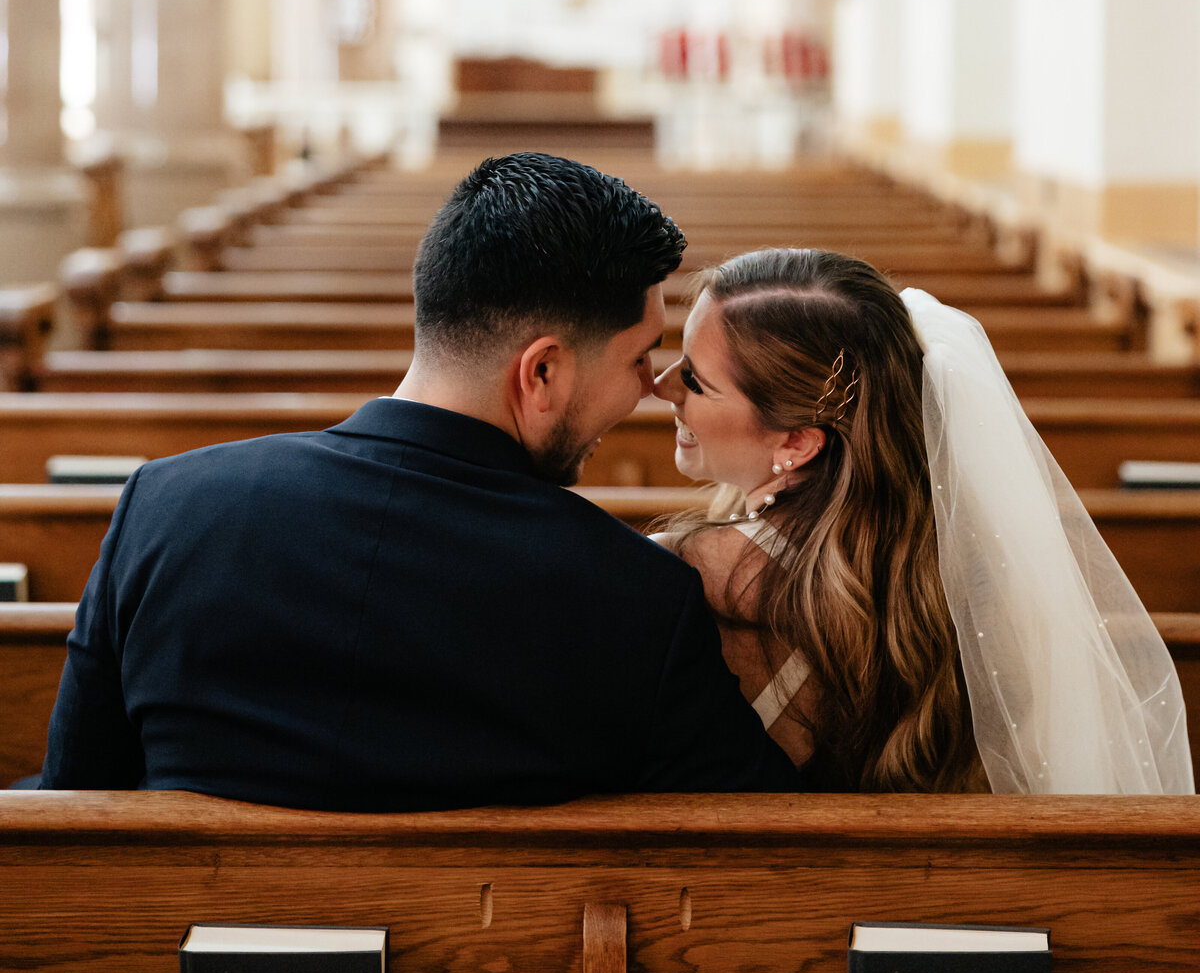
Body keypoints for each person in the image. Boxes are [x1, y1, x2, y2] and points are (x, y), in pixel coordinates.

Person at [41, 154, 797, 809]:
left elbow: (70, 801)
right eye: (638, 358)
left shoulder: (166, 507)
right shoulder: (639, 597)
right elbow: (756, 838)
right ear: (541, 372)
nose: (649, 389)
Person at [653, 247, 1194, 795]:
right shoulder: (969, 569)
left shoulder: (672, 579)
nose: (661, 385)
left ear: (796, 441)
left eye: (696, 381)